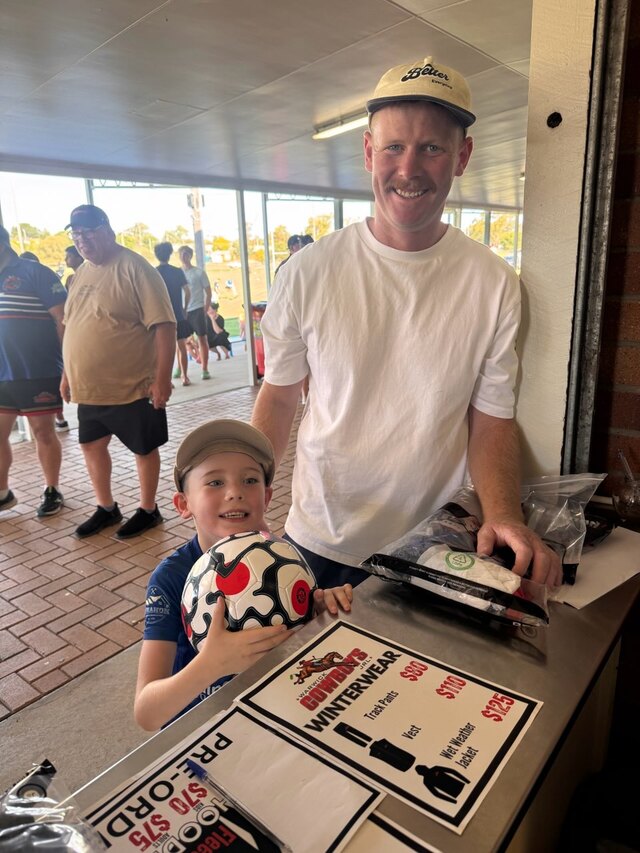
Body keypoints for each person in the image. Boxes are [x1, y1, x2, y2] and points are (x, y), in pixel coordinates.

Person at [252, 56, 562, 591]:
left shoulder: (493, 283)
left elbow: (491, 420)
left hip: (436, 543)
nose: (409, 168)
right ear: (368, 151)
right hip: (322, 537)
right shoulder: (307, 272)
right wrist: (243, 496)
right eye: (393, 146)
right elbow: (279, 399)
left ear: (462, 156)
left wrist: (504, 515)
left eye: (432, 148)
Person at [134, 419, 353, 730]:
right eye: (214, 482)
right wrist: (210, 666)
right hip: (208, 730)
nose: (235, 492)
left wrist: (320, 614)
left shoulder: (284, 561)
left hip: (277, 714)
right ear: (184, 504)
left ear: (266, 497)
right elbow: (146, 712)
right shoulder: (170, 578)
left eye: (250, 480)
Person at [61, 204, 177, 539]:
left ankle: (148, 510)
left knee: (144, 448)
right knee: (91, 445)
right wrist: (67, 374)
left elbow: (164, 326)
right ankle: (107, 507)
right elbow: (72, 327)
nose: (83, 240)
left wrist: (162, 379)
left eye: (89, 232)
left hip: (133, 385)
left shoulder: (136, 269)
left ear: (108, 231)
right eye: (77, 234)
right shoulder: (81, 273)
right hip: (90, 388)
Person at [0, 226, 66, 517]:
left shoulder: (35, 273)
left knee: (43, 432)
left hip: (38, 370)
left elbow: (62, 320)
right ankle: (3, 493)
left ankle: (52, 489)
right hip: (2, 374)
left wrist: (68, 367)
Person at [154, 242, 192, 386]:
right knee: (182, 347)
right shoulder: (177, 271)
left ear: (157, 255)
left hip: (161, 315)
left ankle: (167, 381)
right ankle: (185, 376)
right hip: (178, 314)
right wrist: (184, 308)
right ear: (170, 254)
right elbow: (187, 292)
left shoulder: (154, 272)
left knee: (163, 350)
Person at [178, 245, 211, 380]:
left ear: (190, 256)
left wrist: (205, 308)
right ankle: (180, 368)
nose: (183, 257)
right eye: (181, 254)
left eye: (186, 254)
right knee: (180, 341)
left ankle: (205, 368)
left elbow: (208, 292)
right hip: (182, 311)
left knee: (202, 338)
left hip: (197, 309)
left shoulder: (199, 272)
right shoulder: (178, 273)